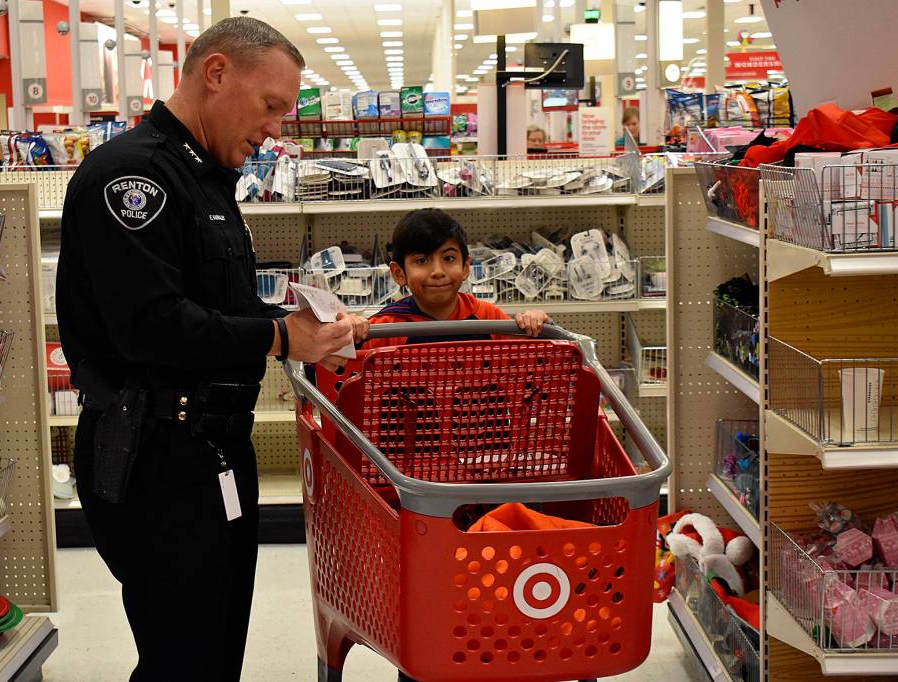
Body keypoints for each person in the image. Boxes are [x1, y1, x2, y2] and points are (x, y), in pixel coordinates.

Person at [56, 17, 362, 681]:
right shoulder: (134, 178)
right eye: (271, 106)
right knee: (182, 661)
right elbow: (151, 326)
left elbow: (221, 311)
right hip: (156, 456)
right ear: (216, 73)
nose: (276, 128)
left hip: (214, 449)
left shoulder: (205, 180)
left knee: (214, 651)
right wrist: (282, 337)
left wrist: (306, 324)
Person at [361, 209, 549, 350]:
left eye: (448, 258)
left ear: (465, 267)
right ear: (399, 273)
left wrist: (536, 326)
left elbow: (531, 361)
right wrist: (348, 332)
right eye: (422, 260)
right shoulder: (385, 328)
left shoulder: (487, 318)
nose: (437, 271)